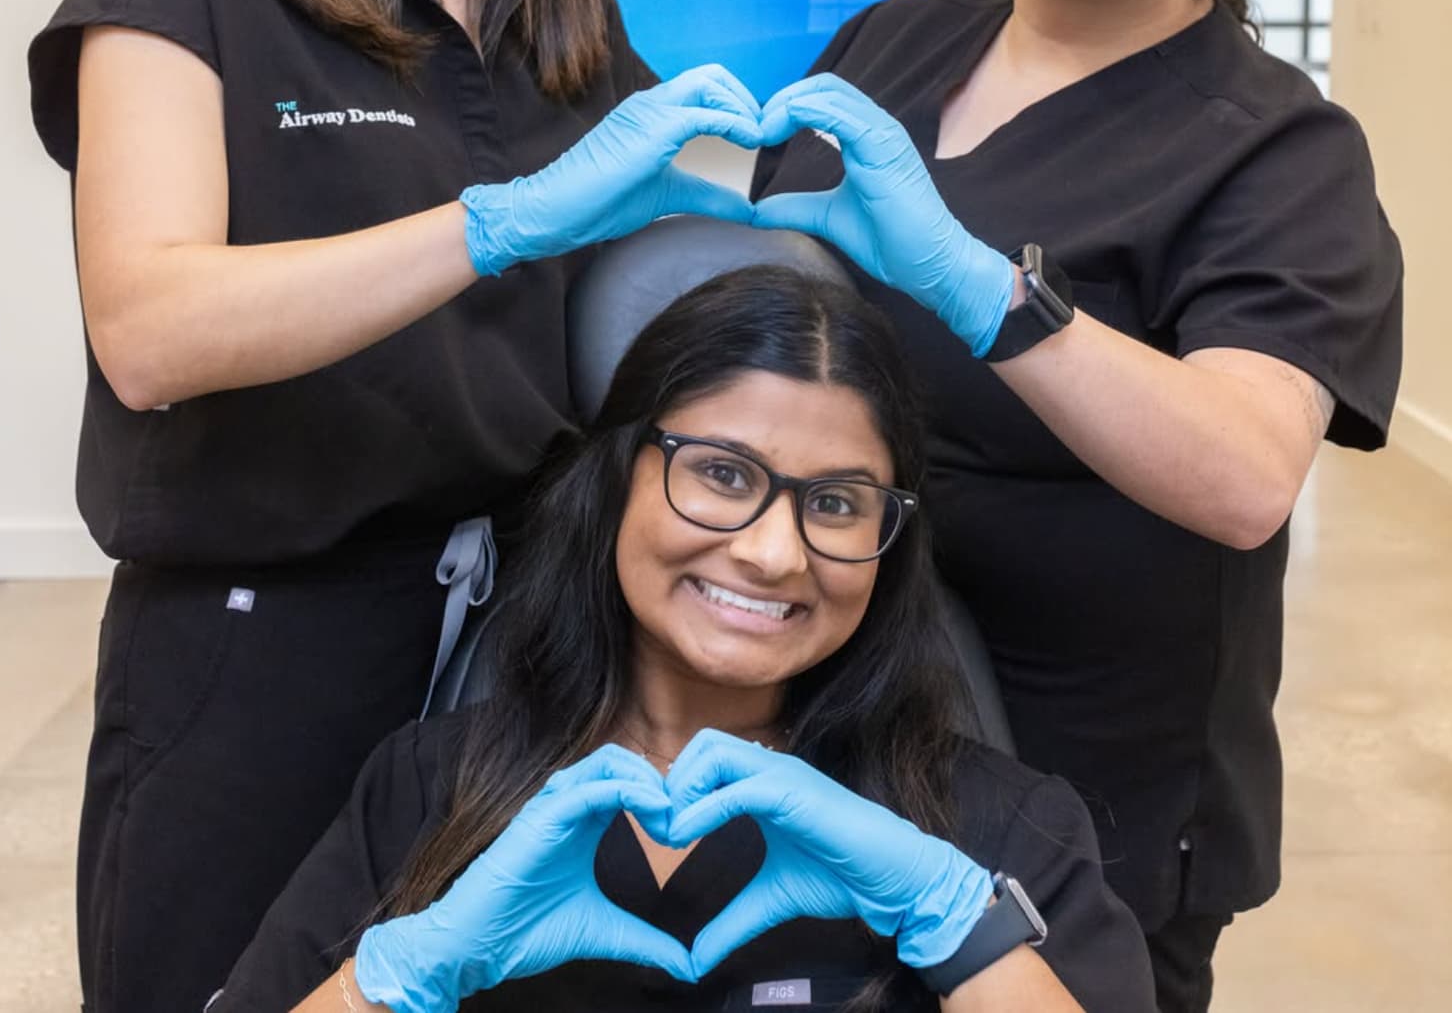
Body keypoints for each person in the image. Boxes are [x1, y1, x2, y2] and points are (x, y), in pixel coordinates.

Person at [26, 0, 759, 1009]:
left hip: (526, 657)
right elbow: (150, 327)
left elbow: (656, 250)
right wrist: (500, 221)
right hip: (260, 662)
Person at [750, 0, 1403, 1013]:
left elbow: (1243, 475)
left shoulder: (1278, 147)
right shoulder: (892, 41)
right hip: (818, 737)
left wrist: (980, 287)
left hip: (1082, 798)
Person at [215, 266, 1158, 1013]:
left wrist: (966, 932)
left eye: (835, 503)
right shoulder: (426, 791)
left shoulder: (995, 830)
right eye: (722, 474)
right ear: (616, 479)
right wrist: (399, 980)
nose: (774, 553)